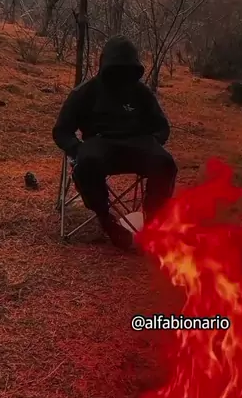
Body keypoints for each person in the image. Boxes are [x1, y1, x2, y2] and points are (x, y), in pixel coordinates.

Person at [53, 36, 177, 251]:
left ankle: (153, 221)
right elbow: (61, 130)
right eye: (117, 68)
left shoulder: (140, 92)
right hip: (100, 143)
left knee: (164, 162)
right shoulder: (85, 92)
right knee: (87, 162)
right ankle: (106, 220)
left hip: (137, 144)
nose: (122, 74)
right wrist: (77, 148)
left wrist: (154, 142)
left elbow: (161, 126)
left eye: (127, 69)